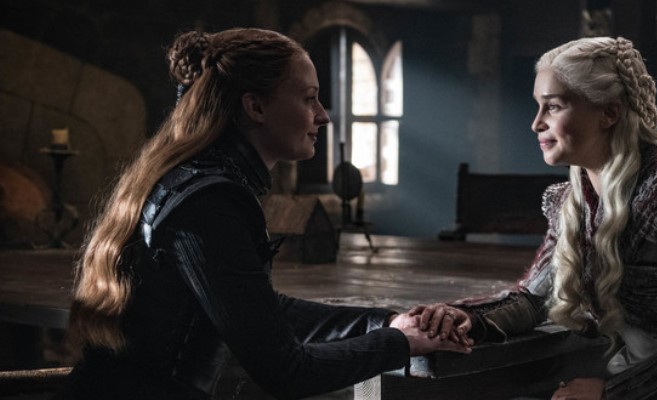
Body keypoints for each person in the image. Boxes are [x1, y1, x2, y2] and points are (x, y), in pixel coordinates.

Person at [59, 28, 469, 400]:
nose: (323, 115)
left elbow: (262, 309)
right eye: (309, 98)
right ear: (255, 106)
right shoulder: (209, 202)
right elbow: (288, 372)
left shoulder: (193, 181)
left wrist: (390, 322)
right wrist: (401, 343)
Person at [409, 37, 657, 400]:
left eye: (553, 107)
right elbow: (534, 299)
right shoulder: (574, 202)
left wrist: (616, 393)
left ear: (609, 112)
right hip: (639, 380)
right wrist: (467, 317)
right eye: (538, 106)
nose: (536, 123)